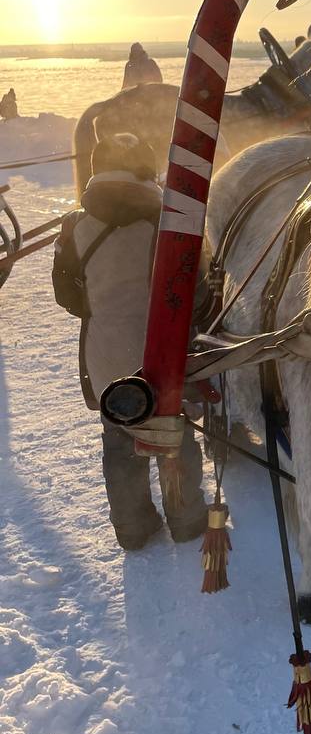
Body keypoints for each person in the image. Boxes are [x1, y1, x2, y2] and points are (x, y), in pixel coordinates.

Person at [52, 133, 207, 549]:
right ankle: (187, 520)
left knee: (119, 442)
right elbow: (200, 289)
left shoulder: (75, 227)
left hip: (106, 355)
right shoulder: (169, 225)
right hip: (164, 351)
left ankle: (133, 529)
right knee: (173, 435)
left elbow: (67, 296)